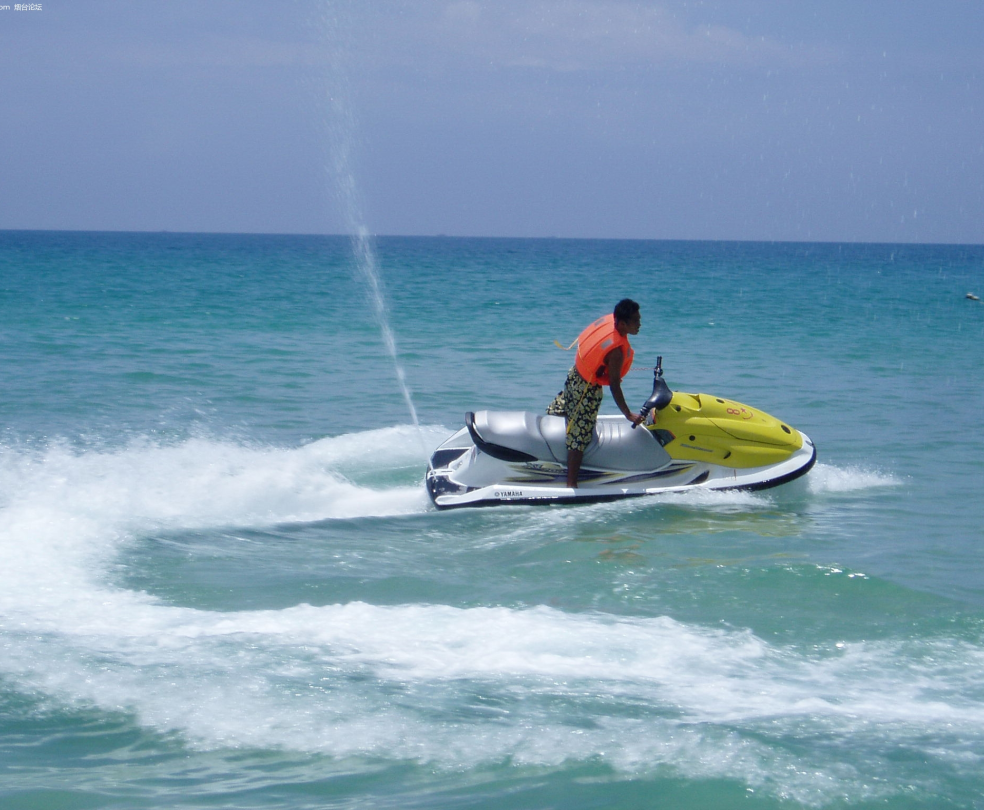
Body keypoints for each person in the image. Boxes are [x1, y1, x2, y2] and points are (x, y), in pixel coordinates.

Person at [547, 299, 644, 488]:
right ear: (623, 324)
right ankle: (571, 485)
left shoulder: (611, 324)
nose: (640, 324)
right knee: (580, 436)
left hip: (574, 376)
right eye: (636, 321)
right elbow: (615, 386)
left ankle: (553, 454)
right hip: (586, 391)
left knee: (567, 409)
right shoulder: (616, 351)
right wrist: (628, 414)